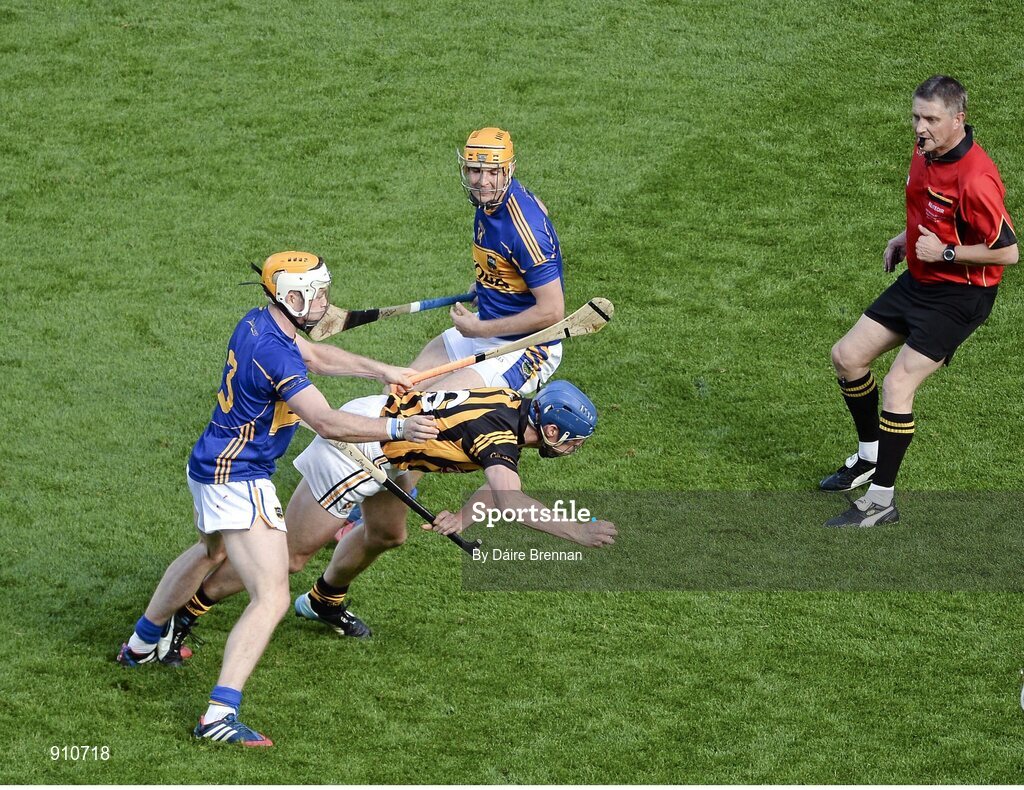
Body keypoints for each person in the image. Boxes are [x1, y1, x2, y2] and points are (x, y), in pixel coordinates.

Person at [115, 251, 438, 747]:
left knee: (210, 553)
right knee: (272, 597)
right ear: (291, 298)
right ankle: (218, 716)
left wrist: (381, 371)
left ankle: (141, 643)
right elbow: (326, 422)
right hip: (239, 478)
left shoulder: (259, 322)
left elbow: (317, 357)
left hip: (209, 464)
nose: (325, 302)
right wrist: (398, 428)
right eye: (316, 294)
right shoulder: (276, 354)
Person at [159, 381, 617, 643]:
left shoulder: (512, 404)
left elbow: (498, 481)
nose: (574, 448)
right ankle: (185, 613)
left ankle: (323, 601)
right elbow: (509, 498)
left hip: (396, 445)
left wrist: (463, 518)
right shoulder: (498, 438)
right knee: (288, 557)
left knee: (386, 534)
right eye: (573, 440)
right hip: (361, 449)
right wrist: (576, 532)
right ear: (551, 430)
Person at [821, 75, 1017, 527]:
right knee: (847, 357)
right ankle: (869, 456)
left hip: (961, 296)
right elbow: (930, 209)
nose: (920, 127)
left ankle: (881, 501)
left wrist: (945, 252)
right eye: (916, 116)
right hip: (920, 279)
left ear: (958, 120)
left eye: (930, 119)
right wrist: (905, 238)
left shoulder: (976, 178)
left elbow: (1008, 251)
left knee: (898, 384)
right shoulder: (926, 150)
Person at [409, 127, 566, 394]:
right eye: (475, 170)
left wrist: (480, 329)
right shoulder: (491, 202)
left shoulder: (525, 230)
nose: (483, 181)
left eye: (493, 172)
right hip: (487, 327)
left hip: (524, 349)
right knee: (400, 389)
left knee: (431, 406)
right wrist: (492, 284)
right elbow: (539, 209)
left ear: (509, 170)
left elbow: (552, 312)